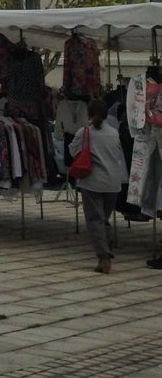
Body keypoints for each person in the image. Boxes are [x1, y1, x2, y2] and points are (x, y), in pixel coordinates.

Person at [69, 98, 129, 273]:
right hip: (113, 183)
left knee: (95, 220)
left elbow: (73, 151)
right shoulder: (114, 132)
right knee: (103, 219)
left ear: (88, 113)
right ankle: (107, 244)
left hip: (92, 182)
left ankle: (104, 257)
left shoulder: (84, 132)